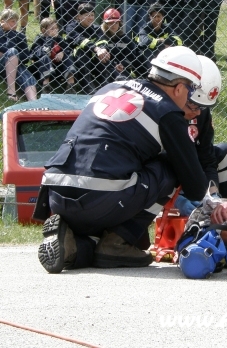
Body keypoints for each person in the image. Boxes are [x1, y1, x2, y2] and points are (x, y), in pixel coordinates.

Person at [37, 46, 205, 274]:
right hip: (99, 198)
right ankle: (118, 241)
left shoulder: (110, 87)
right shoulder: (167, 112)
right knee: (169, 166)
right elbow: (195, 186)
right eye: (191, 89)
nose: (189, 96)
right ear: (178, 88)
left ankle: (73, 245)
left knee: (96, 238)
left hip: (56, 194)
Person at [174, 56, 227, 215]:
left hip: (192, 166)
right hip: (167, 176)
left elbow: (207, 157)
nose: (198, 112)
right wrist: (175, 199)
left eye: (203, 107)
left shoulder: (201, 112)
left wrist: (213, 191)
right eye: (194, 106)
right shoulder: (162, 115)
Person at [29, 17, 76, 93]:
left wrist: (62, 53)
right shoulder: (39, 39)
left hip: (57, 68)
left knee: (68, 56)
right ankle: (46, 85)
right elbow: (39, 53)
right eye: (52, 29)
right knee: (45, 57)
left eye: (56, 28)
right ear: (43, 30)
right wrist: (50, 38)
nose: (55, 31)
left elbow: (68, 48)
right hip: (42, 69)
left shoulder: (58, 38)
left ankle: (71, 84)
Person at [135, 3, 183, 76]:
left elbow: (179, 41)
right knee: (147, 50)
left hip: (162, 54)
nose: (156, 19)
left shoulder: (167, 27)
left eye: (159, 16)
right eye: (153, 16)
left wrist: (156, 42)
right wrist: (162, 42)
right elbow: (144, 42)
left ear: (163, 17)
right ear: (150, 17)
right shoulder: (144, 28)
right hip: (145, 58)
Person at [0, 9, 37, 101]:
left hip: (14, 66)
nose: (16, 24)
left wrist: (13, 56)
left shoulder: (20, 36)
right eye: (12, 21)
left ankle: (33, 101)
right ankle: (11, 91)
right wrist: (11, 53)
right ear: (2, 21)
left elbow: (25, 57)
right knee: (12, 51)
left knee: (27, 76)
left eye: (17, 21)